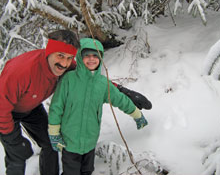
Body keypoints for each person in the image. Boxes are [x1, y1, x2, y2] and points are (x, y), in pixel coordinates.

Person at [0, 30, 152, 175]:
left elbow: (91, 79)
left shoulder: (66, 66)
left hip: (31, 108)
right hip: (5, 111)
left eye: (68, 58)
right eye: (60, 56)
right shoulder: (21, 71)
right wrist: (13, 140)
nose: (64, 63)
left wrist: (125, 92)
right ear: (49, 51)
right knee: (16, 156)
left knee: (49, 143)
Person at [48, 38, 148, 175]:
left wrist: (137, 115)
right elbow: (56, 107)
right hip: (69, 141)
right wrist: (54, 132)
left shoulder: (102, 83)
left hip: (90, 140)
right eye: (87, 55)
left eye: (95, 56)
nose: (91, 59)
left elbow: (120, 100)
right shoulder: (69, 80)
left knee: (87, 171)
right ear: (80, 57)